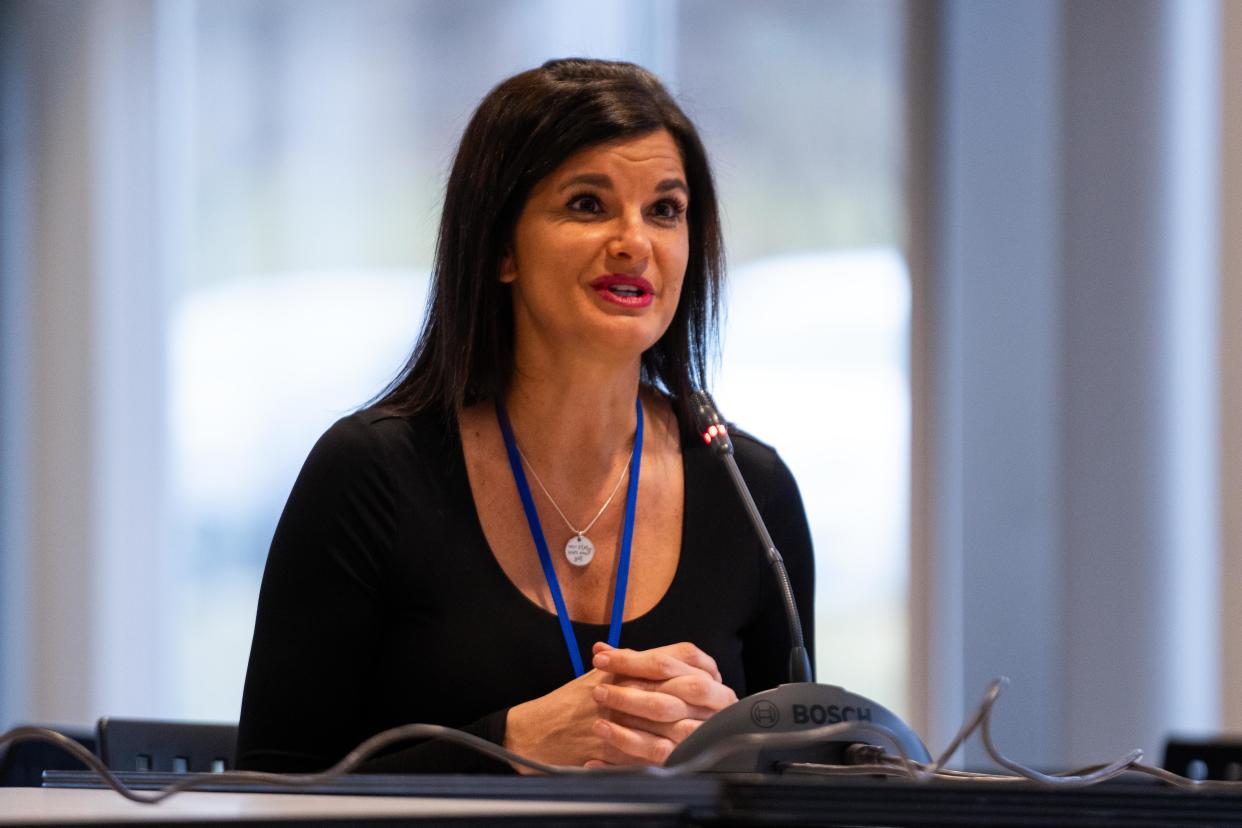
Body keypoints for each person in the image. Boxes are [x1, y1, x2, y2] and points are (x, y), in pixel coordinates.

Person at [235, 58, 814, 774]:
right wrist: (505, 746)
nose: (635, 241)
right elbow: (269, 789)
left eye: (664, 210)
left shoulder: (750, 491)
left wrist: (735, 749)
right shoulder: (372, 475)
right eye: (587, 205)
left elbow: (808, 785)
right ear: (501, 247)